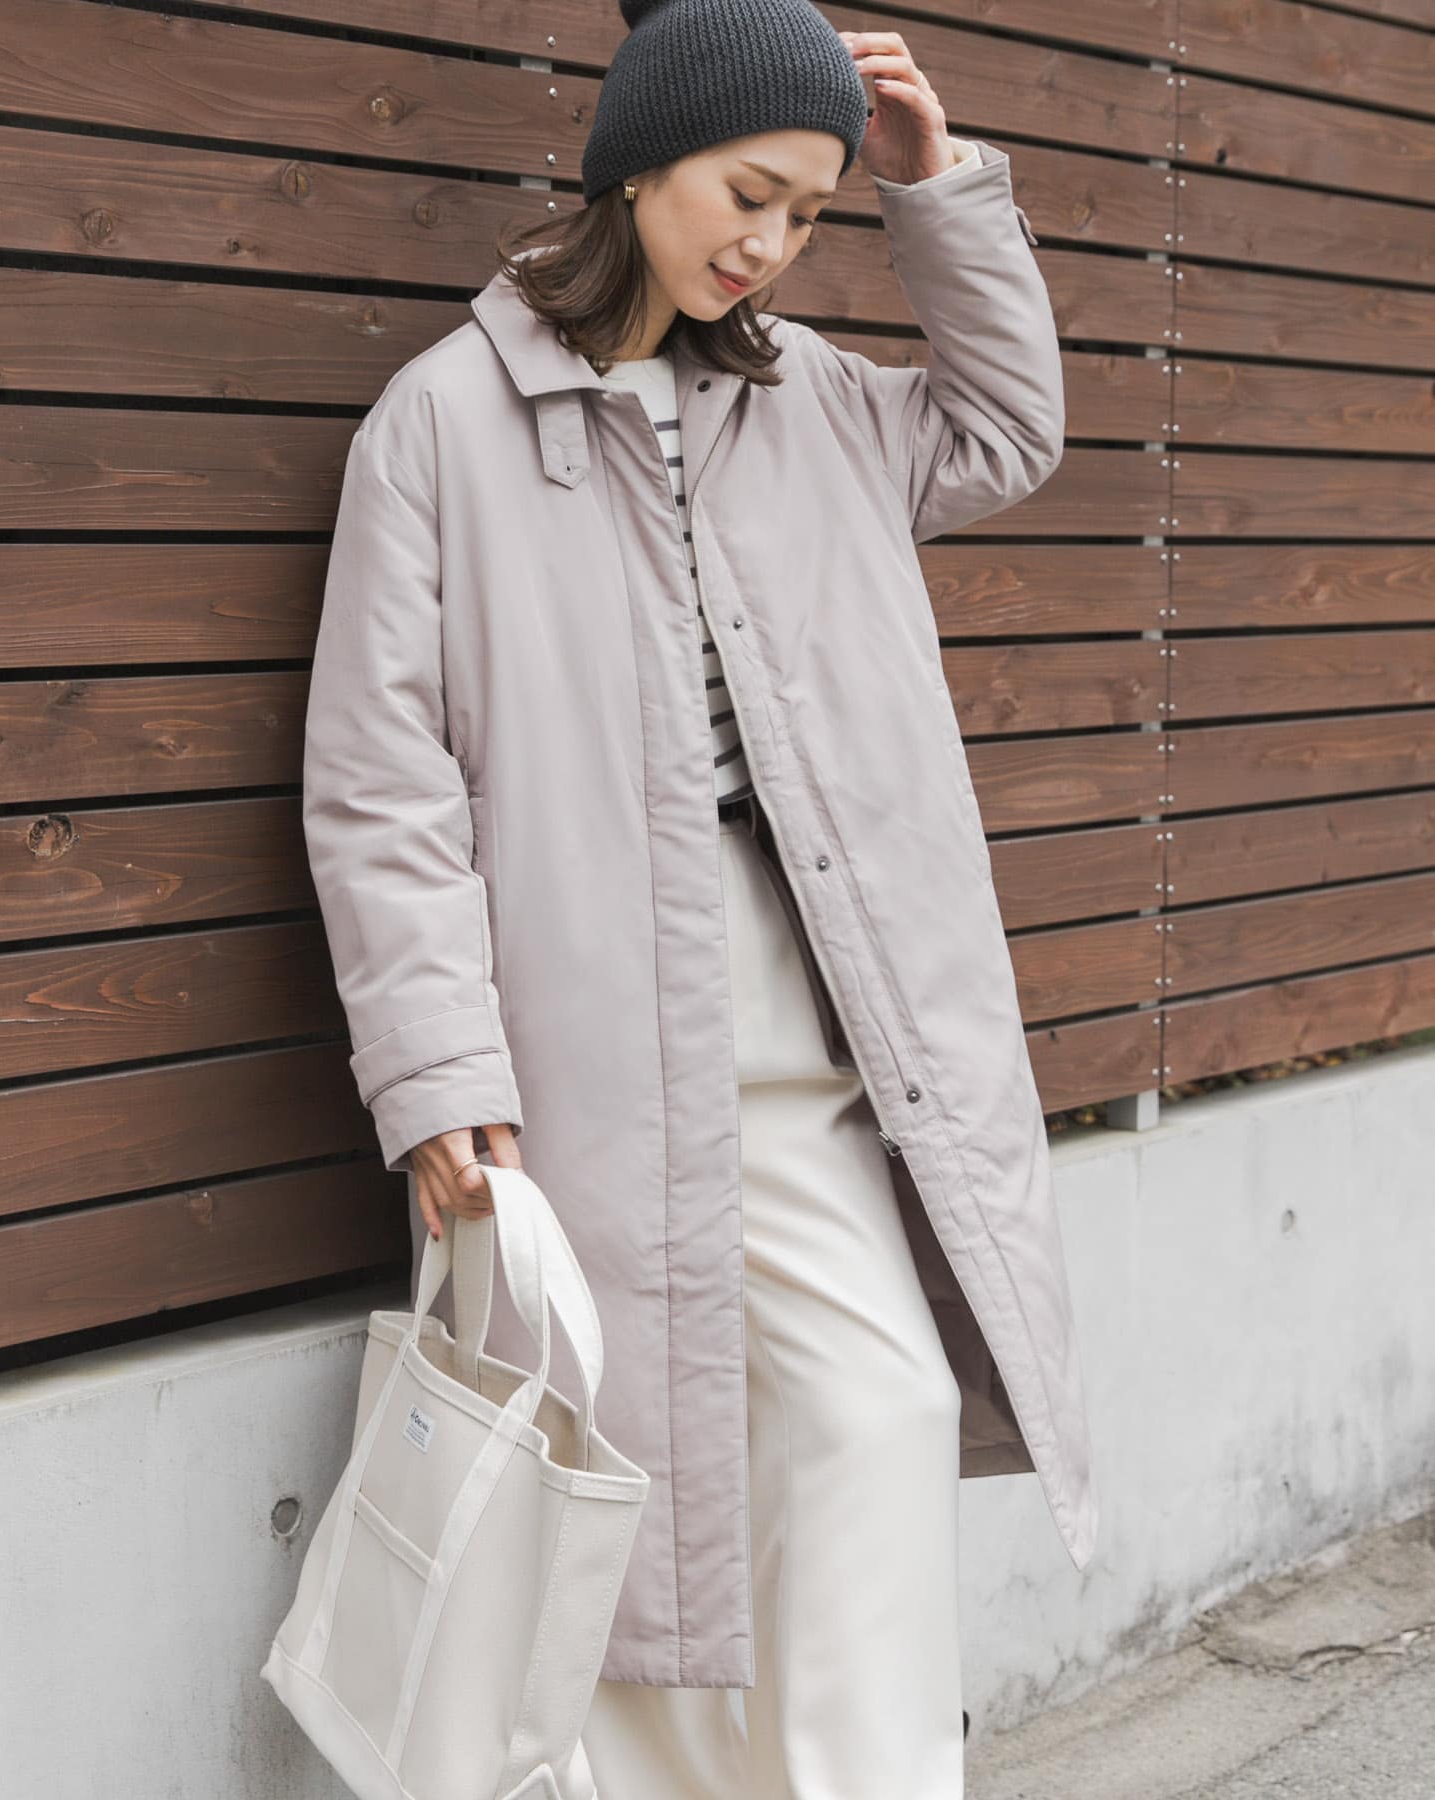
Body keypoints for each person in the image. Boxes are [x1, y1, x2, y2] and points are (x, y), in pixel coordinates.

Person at [300, 0, 1098, 1793]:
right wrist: (437, 1077)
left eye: (809, 213)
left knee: (876, 1415)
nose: (770, 246)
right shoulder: (441, 425)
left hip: (810, 1048)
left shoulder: (820, 402)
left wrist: (936, 187)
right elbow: (381, 782)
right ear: (641, 158)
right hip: (578, 1056)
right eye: (750, 194)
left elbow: (1008, 430)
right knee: (616, 1500)